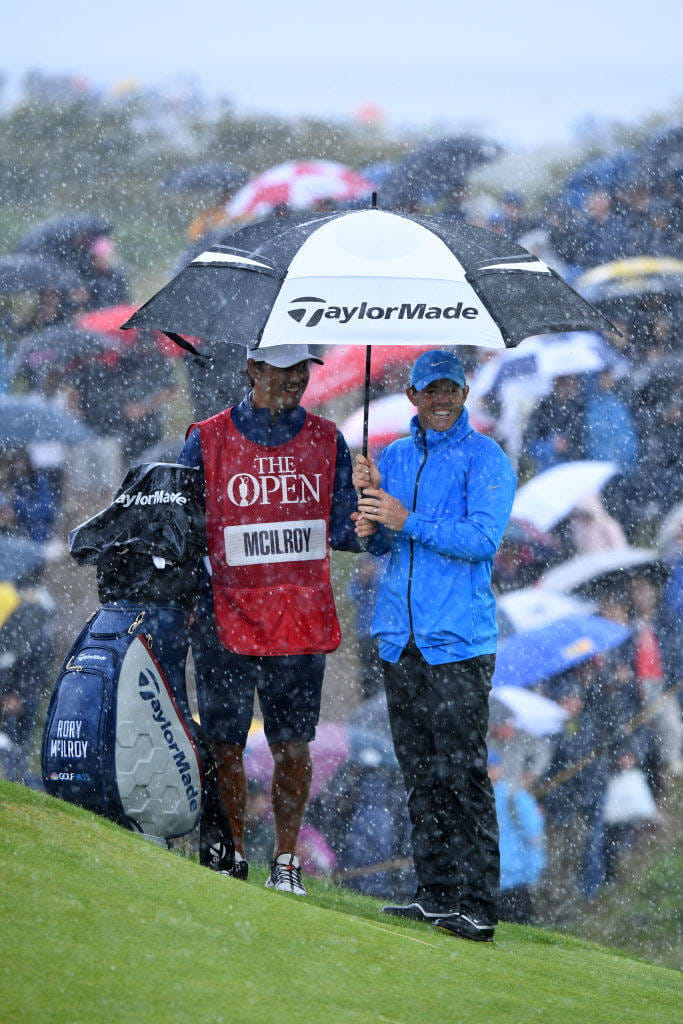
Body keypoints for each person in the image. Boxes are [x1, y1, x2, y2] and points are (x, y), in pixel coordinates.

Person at [178, 343, 359, 896]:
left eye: (301, 370)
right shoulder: (204, 440)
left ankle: (285, 862)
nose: (293, 381)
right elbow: (184, 528)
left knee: (293, 745)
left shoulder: (329, 440)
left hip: (298, 617)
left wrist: (369, 502)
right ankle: (231, 853)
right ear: (252, 368)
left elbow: (347, 531)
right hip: (224, 616)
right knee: (226, 744)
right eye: (281, 369)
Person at [352, 350, 517, 942]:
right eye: (431, 390)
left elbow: (481, 540)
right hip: (400, 639)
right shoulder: (391, 457)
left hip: (459, 644)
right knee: (420, 771)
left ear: (466, 393)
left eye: (451, 389)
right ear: (413, 397)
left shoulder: (486, 458)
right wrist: (367, 519)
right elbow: (379, 547)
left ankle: (475, 904)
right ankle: (434, 893)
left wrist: (405, 516)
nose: (442, 400)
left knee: (463, 772)